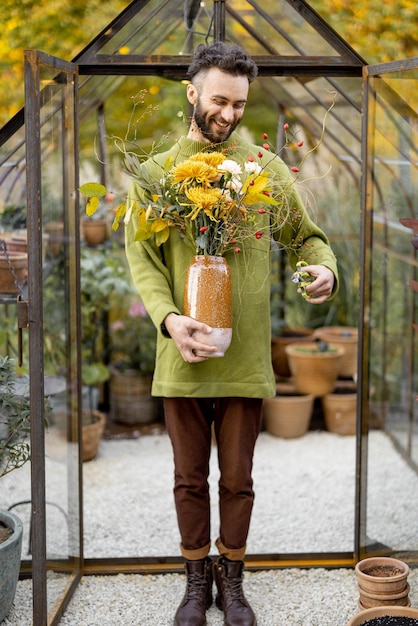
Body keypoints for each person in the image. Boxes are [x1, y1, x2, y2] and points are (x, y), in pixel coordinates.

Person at [125, 42, 338, 626]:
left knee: (239, 479)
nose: (228, 114)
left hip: (244, 358)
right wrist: (170, 321)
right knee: (189, 478)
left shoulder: (264, 172)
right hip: (182, 354)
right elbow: (141, 259)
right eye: (219, 100)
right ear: (191, 93)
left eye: (239, 105)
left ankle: (233, 580)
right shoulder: (156, 175)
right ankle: (196, 582)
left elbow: (307, 238)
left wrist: (322, 267)